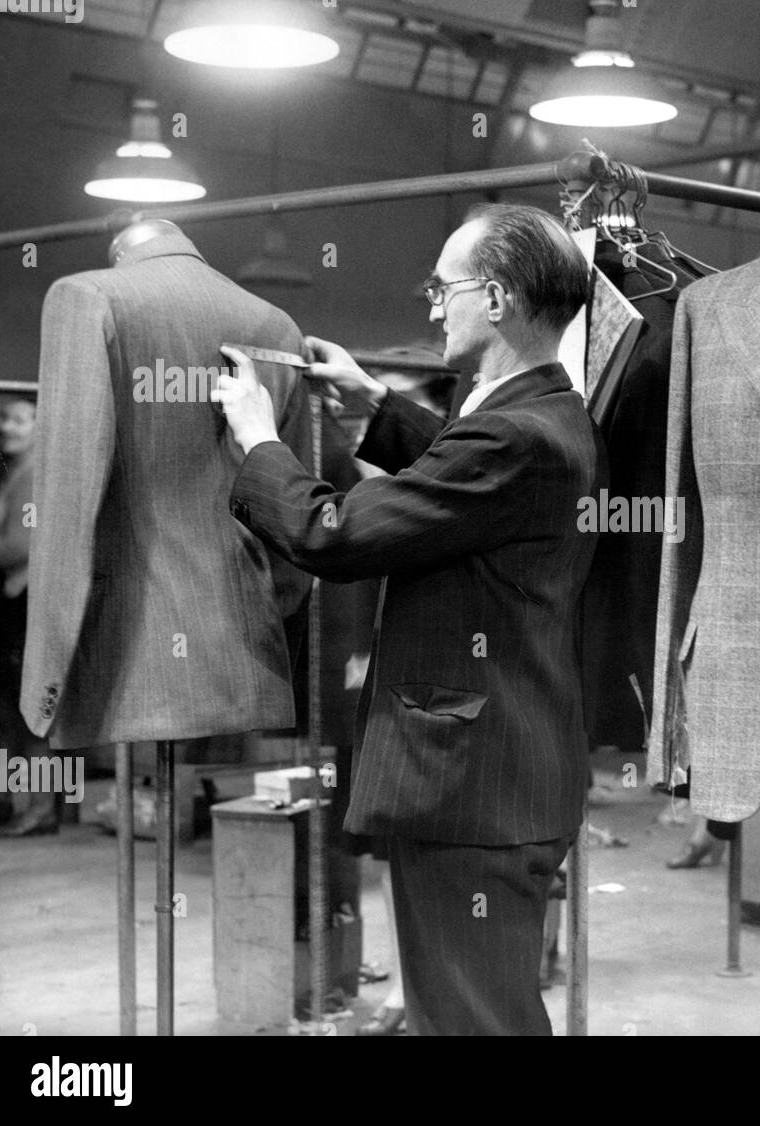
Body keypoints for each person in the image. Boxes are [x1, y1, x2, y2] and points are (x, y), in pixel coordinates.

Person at [213, 203, 601, 1036]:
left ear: (494, 299)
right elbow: (462, 479)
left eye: (443, 286)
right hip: (500, 775)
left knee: (473, 1020)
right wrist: (374, 404)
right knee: (469, 1010)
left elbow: (336, 533)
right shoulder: (543, 415)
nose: (432, 305)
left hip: (475, 787)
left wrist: (256, 443)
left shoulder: (515, 437)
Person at [0, 398, 60, 837]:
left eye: (19, 419)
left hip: (24, 602)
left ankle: (42, 809)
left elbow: (20, 546)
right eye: (3, 419)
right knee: (13, 712)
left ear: (38, 425)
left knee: (28, 711)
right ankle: (23, 803)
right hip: (15, 601)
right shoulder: (20, 475)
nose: (7, 427)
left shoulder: (32, 476)